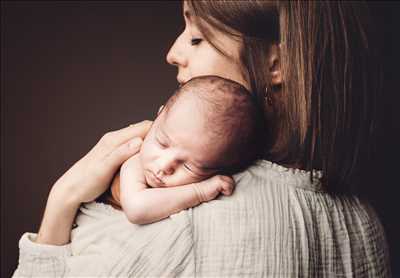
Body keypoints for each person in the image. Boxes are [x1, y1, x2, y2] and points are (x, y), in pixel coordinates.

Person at [13, 1, 391, 277]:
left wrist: (59, 206)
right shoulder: (364, 223)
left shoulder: (182, 225)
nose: (173, 53)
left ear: (278, 64)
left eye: (197, 37)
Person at [104, 75, 265, 224]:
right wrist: (199, 192)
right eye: (162, 143)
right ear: (159, 116)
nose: (164, 166)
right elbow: (137, 209)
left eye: (189, 166)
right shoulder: (135, 161)